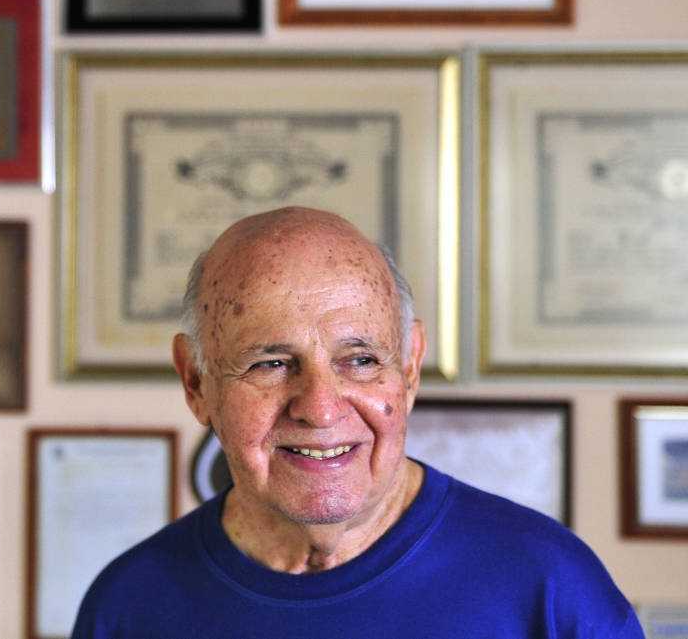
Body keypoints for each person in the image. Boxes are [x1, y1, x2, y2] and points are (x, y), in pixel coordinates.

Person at [72, 206, 643, 638]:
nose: (321, 408)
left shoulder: (550, 588)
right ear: (196, 382)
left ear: (410, 369)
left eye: (361, 360)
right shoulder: (129, 605)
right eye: (271, 364)